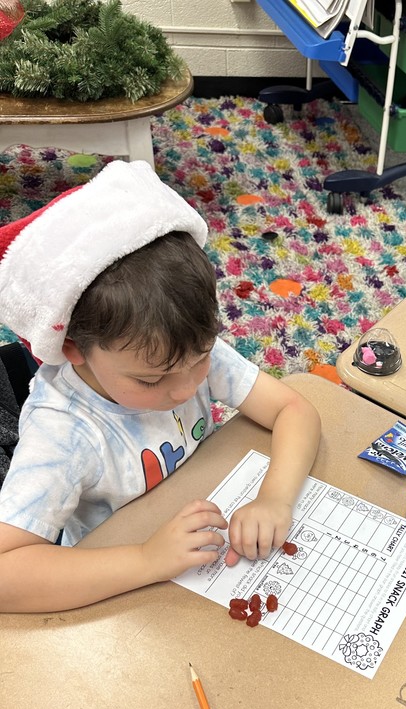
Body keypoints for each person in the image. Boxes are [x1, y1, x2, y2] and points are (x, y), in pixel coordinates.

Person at [0, 160, 320, 614]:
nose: (187, 387)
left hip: (191, 533)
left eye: (202, 357)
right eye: (151, 380)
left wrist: (274, 499)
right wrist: (146, 558)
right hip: (118, 582)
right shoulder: (65, 433)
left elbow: (294, 410)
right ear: (73, 347)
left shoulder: (174, 349)